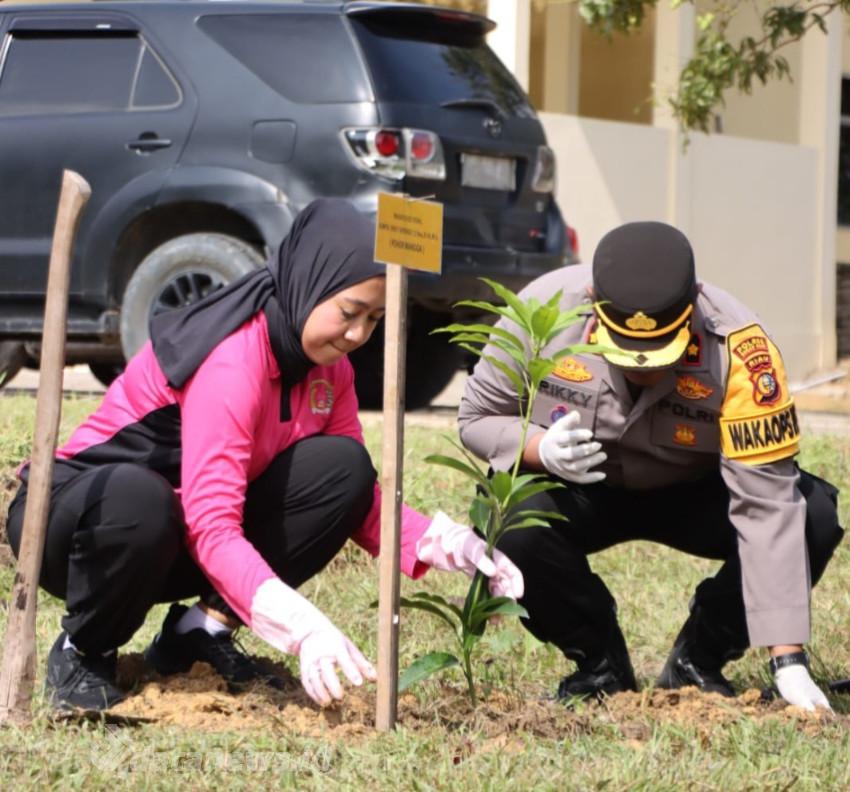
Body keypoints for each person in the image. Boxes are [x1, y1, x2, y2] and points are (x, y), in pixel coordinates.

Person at [6, 199, 523, 711]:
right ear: (308, 283)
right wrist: (299, 626)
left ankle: (198, 634)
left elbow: (357, 499)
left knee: (344, 469)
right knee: (141, 499)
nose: (358, 334)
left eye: (375, 318)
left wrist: (443, 543)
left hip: (171, 532)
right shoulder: (233, 359)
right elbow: (211, 524)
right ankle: (84, 649)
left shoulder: (330, 370)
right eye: (349, 313)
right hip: (77, 524)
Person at [459, 221, 843, 711]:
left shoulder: (741, 348)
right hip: (579, 484)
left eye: (661, 352)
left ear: (693, 305)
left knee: (810, 515)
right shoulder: (540, 313)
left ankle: (699, 660)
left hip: (696, 490)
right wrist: (537, 448)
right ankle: (600, 665)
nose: (643, 367)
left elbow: (767, 503)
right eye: (625, 351)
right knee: (509, 517)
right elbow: (476, 418)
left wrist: (788, 661)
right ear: (593, 300)